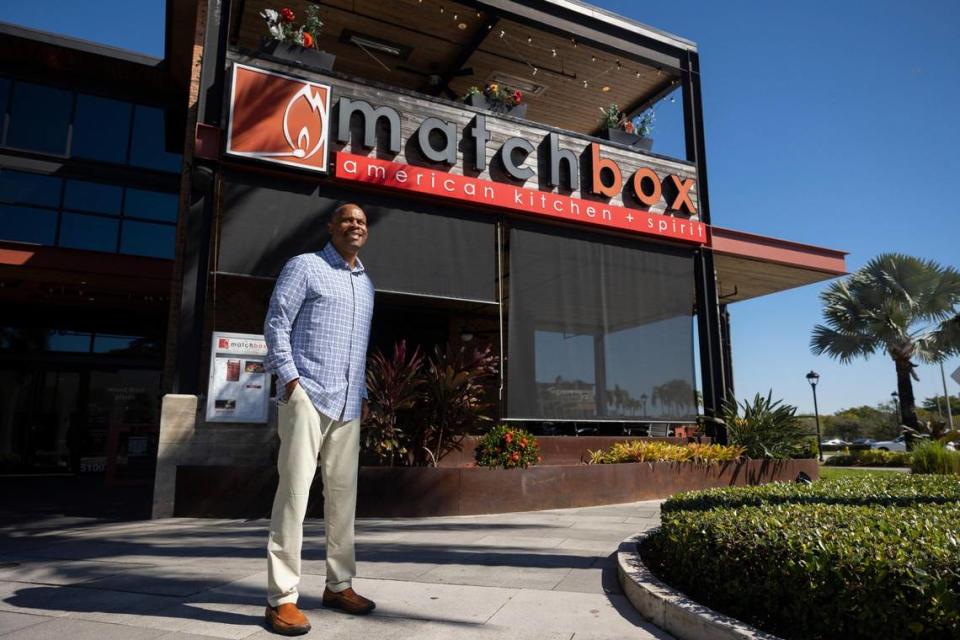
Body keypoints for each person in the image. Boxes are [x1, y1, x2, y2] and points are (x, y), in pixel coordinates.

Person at [262, 203, 376, 635]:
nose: (356, 225)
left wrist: (362, 394)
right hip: (307, 397)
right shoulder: (305, 267)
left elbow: (358, 348)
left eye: (362, 222)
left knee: (343, 502)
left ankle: (339, 585)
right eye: (347, 219)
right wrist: (292, 382)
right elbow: (276, 324)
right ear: (331, 227)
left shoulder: (366, 285)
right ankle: (282, 599)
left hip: (348, 406)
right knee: (293, 498)